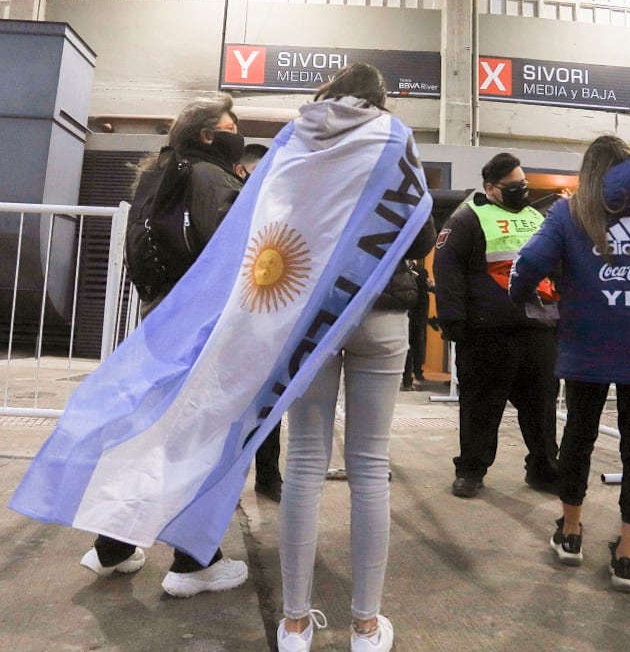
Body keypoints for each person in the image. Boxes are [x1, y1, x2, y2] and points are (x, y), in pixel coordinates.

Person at [276, 63, 436, 652]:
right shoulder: (393, 137)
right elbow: (419, 233)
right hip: (380, 312)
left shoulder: (294, 138)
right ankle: (365, 626)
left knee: (303, 464)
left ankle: (296, 623)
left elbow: (270, 220)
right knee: (369, 467)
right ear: (380, 98)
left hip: (309, 315)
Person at [80, 93, 249, 598]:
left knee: (153, 438)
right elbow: (236, 256)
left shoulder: (154, 175)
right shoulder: (211, 177)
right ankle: (195, 562)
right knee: (201, 444)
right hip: (205, 330)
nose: (236, 129)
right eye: (230, 123)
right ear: (207, 134)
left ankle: (111, 547)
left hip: (161, 322)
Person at [510, 135, 630, 592]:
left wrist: (524, 297)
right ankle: (627, 556)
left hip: (585, 345)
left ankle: (570, 533)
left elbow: (529, 261)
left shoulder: (571, 213)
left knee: (578, 436)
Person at [433, 152, 560, 498]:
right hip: (486, 331)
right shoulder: (467, 217)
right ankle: (471, 470)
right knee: (480, 407)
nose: (522, 190)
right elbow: (447, 270)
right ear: (490, 188)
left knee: (542, 407)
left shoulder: (538, 217)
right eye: (513, 186)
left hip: (537, 328)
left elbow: (557, 268)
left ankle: (544, 469)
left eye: (524, 184)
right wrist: (454, 321)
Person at [233, 142, 285, 503]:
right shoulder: (230, 205)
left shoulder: (278, 207)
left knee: (268, 403)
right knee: (231, 406)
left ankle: (268, 475)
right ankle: (228, 481)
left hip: (266, 318)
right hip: (234, 321)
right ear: (243, 172)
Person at [400, 259, 433, 391]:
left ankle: (414, 374)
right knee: (408, 346)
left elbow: (427, 288)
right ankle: (407, 378)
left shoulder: (420, 272)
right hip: (405, 313)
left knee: (416, 345)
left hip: (417, 315)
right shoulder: (399, 271)